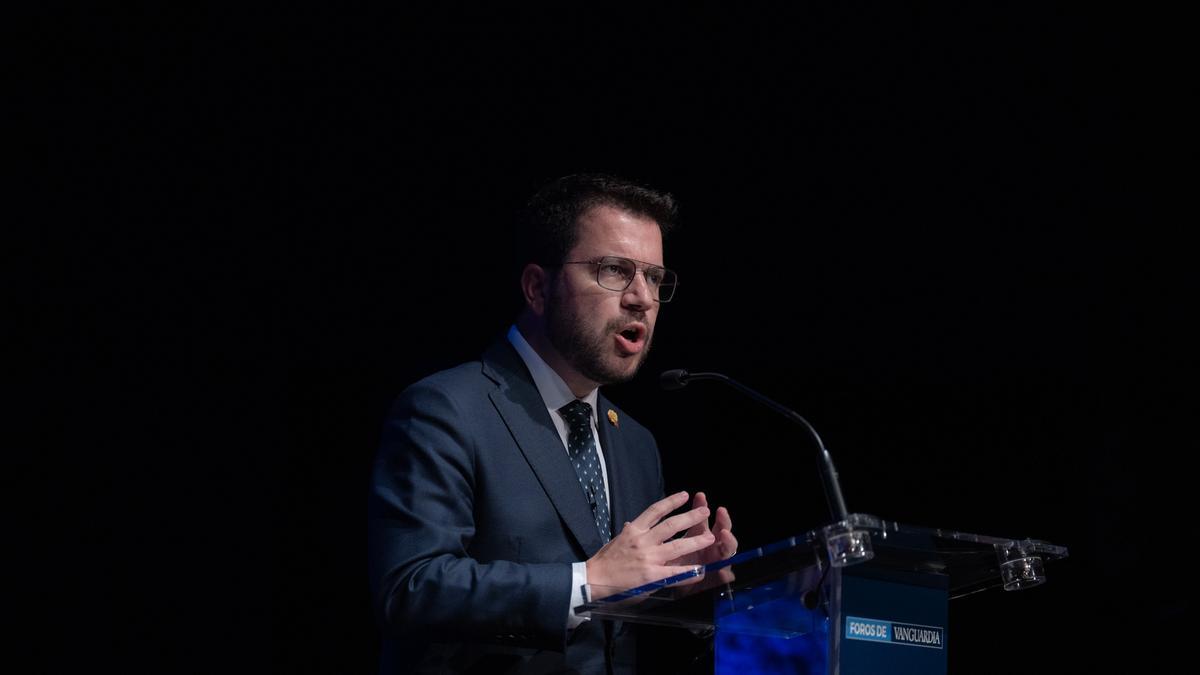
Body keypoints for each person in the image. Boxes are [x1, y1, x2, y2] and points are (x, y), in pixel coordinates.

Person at [367, 174, 737, 674]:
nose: (642, 299)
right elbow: (411, 588)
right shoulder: (446, 409)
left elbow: (617, 632)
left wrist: (680, 593)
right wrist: (587, 581)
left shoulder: (636, 443)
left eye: (653, 277)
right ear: (538, 287)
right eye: (614, 270)